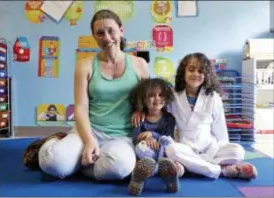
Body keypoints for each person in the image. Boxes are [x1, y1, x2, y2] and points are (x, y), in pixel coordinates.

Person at [23, 9, 149, 181]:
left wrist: (141, 109)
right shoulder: (85, 65)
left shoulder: (140, 64)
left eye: (111, 30)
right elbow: (81, 107)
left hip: (122, 136)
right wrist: (90, 142)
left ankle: (77, 166)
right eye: (100, 33)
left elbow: (149, 98)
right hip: (89, 131)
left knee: (121, 167)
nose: (106, 37)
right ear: (94, 36)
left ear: (121, 30)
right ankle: (56, 145)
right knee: (51, 163)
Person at [132, 52, 257, 180]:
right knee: (171, 150)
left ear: (206, 75)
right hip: (185, 147)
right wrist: (139, 110)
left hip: (209, 147)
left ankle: (188, 166)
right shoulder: (173, 95)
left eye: (200, 71)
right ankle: (220, 170)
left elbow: (220, 130)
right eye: (191, 70)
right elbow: (154, 104)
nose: (196, 74)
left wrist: (223, 148)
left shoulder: (213, 97)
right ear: (183, 72)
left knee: (238, 151)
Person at [128, 78, 184, 195]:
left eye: (161, 95)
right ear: (143, 99)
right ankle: (151, 170)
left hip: (163, 151)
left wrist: (153, 135)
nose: (157, 98)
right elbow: (134, 139)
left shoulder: (169, 119)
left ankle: (169, 173)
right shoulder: (140, 118)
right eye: (151, 95)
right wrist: (144, 138)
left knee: (168, 143)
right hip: (147, 153)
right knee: (140, 147)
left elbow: (169, 138)